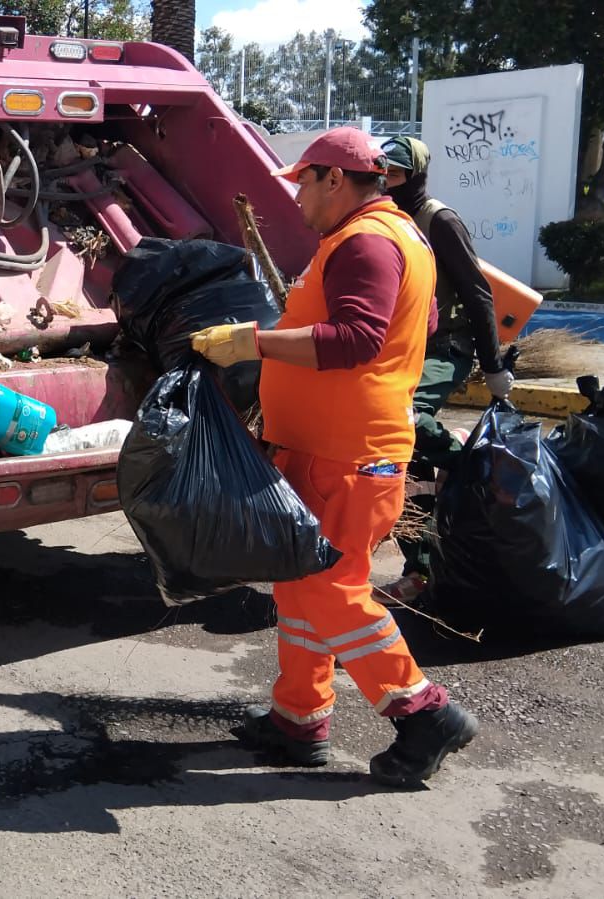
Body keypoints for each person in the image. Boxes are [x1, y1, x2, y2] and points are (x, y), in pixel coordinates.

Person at [189, 127, 478, 787]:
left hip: (346, 453)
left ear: (336, 179)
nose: (296, 197)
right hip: (331, 446)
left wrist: (254, 342)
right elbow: (423, 322)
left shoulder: (366, 241)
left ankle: (424, 713)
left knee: (330, 590)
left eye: (304, 182)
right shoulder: (399, 235)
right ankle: (298, 718)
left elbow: (356, 339)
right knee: (299, 583)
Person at [376, 136, 511, 603]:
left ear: (415, 175)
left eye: (396, 173)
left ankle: (463, 460)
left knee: (403, 414)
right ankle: (421, 570)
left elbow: (477, 293)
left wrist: (493, 366)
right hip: (403, 346)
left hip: (446, 346)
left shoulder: (439, 220)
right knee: (400, 457)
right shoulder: (383, 219)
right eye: (382, 173)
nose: (387, 181)